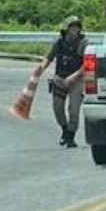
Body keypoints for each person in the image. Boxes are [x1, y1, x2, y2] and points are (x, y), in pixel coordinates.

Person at [42, 16, 88, 146]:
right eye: (71, 27)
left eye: (76, 27)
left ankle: (70, 136)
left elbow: (87, 64)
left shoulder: (83, 43)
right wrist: (40, 70)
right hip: (60, 78)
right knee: (57, 108)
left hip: (77, 80)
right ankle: (64, 130)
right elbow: (49, 58)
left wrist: (75, 76)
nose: (74, 30)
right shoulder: (59, 43)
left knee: (73, 110)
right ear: (66, 29)